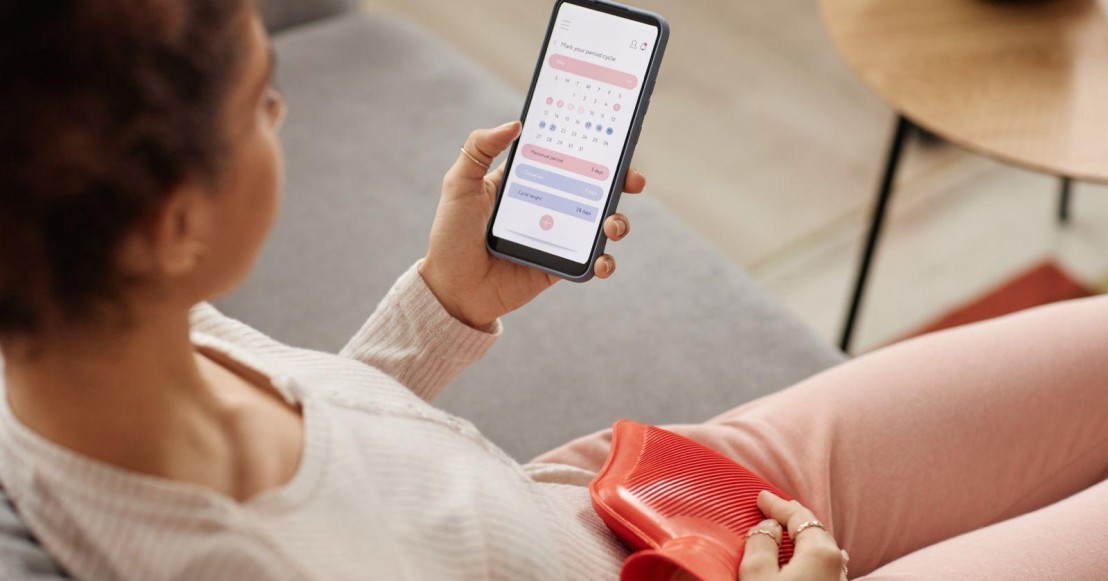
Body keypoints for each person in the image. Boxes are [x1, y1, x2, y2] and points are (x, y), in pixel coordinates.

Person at [0, 1, 1105, 580]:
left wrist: (445, 300)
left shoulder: (99, 329)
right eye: (259, 102)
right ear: (173, 223)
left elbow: (338, 475)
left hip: (621, 498)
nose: (282, 118)